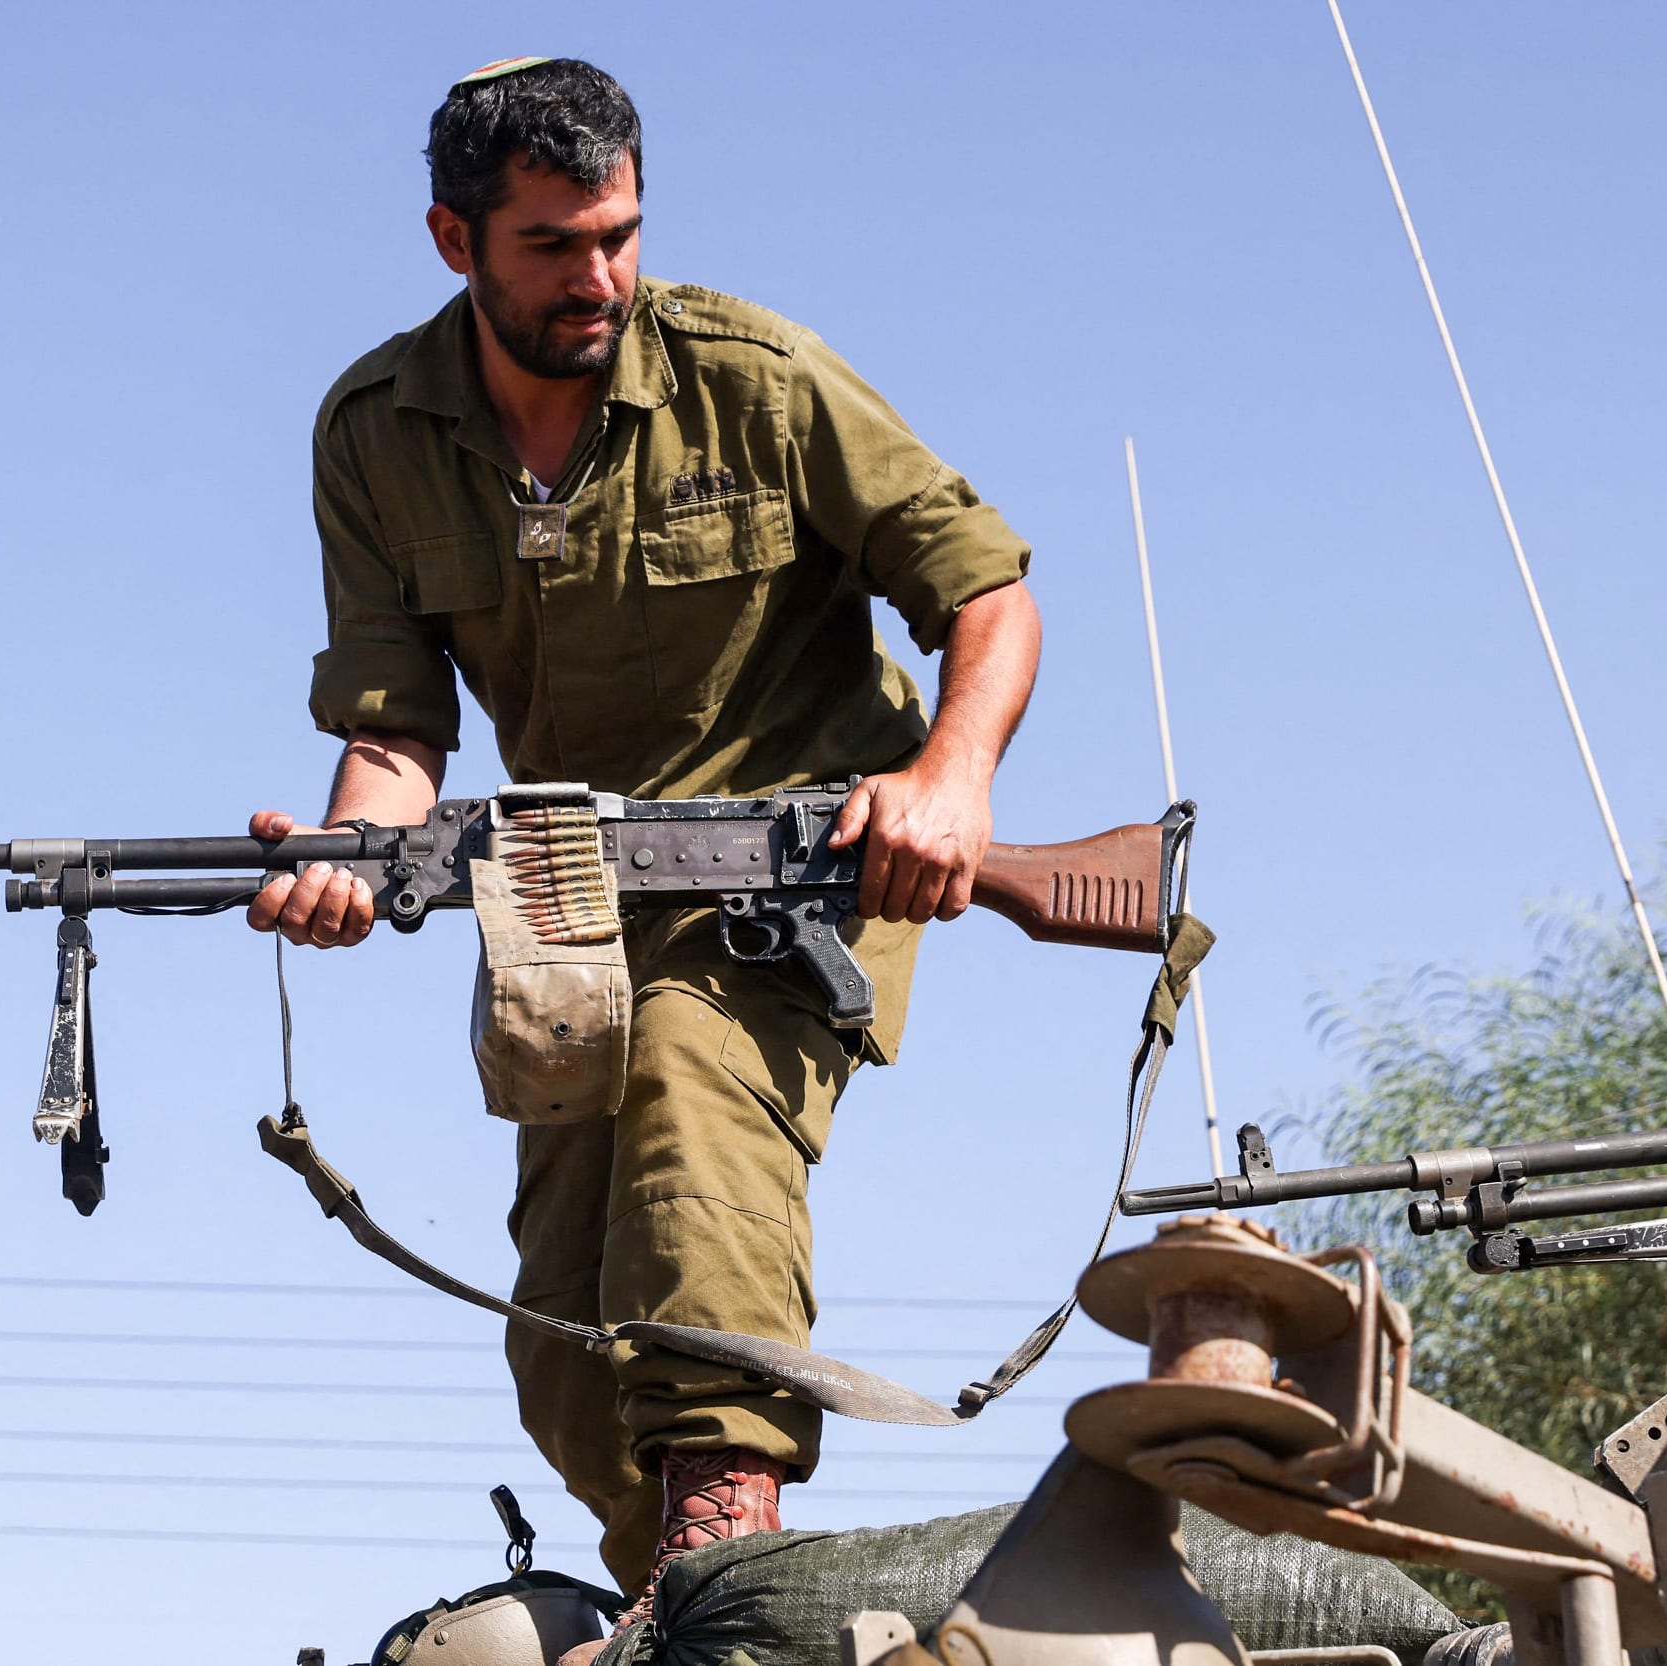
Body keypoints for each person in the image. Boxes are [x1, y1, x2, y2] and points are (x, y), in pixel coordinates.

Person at [245, 56, 1041, 1630]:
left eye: (618, 232)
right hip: (574, 891)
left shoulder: (752, 374)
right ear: (451, 238)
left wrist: (953, 782)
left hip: (813, 859)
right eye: (552, 243)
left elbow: (989, 590)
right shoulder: (375, 432)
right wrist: (349, 853)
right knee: (563, 1327)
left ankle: (722, 1533)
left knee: (690, 1086)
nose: (598, 274)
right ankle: (701, 1615)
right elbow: (399, 737)